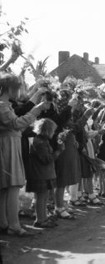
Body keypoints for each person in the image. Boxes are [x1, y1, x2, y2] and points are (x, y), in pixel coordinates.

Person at [0, 72, 49, 236]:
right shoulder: (2, 105)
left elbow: (17, 126)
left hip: (10, 143)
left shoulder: (5, 105)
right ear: (10, 88)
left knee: (6, 188)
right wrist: (36, 110)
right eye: (17, 88)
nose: (19, 91)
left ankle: (4, 223)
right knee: (12, 186)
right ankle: (13, 225)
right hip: (8, 145)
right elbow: (16, 123)